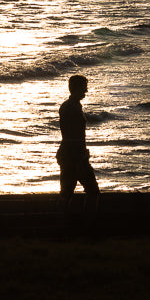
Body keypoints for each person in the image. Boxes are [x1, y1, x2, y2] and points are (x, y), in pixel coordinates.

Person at [56, 74, 99, 212]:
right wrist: (80, 156)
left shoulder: (72, 106)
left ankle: (67, 219)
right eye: (84, 88)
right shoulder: (71, 108)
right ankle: (84, 220)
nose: (86, 91)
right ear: (77, 88)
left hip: (72, 154)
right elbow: (73, 135)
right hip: (73, 155)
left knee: (67, 192)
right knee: (91, 190)